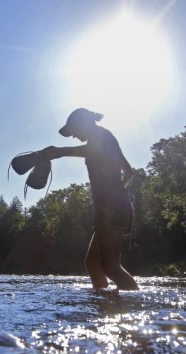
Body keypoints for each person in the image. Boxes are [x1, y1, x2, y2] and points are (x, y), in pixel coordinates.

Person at [42, 108, 139, 291]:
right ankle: (103, 305)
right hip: (111, 206)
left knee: (110, 267)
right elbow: (129, 172)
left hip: (112, 207)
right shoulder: (105, 138)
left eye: (73, 131)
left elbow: (93, 150)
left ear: (83, 124)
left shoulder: (102, 136)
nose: (72, 136)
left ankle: (134, 305)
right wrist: (119, 194)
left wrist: (61, 151)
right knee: (93, 264)